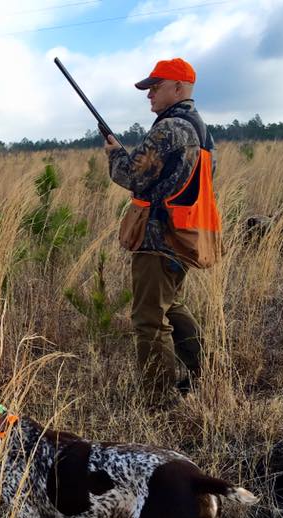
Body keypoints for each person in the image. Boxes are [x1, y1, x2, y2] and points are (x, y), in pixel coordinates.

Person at [104, 57, 216, 404]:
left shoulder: (170, 129)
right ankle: (209, 372)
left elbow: (132, 176)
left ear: (179, 88)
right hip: (183, 234)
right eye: (148, 88)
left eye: (156, 87)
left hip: (158, 237)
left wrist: (114, 154)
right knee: (170, 305)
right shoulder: (199, 129)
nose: (149, 94)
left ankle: (158, 399)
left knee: (148, 319)